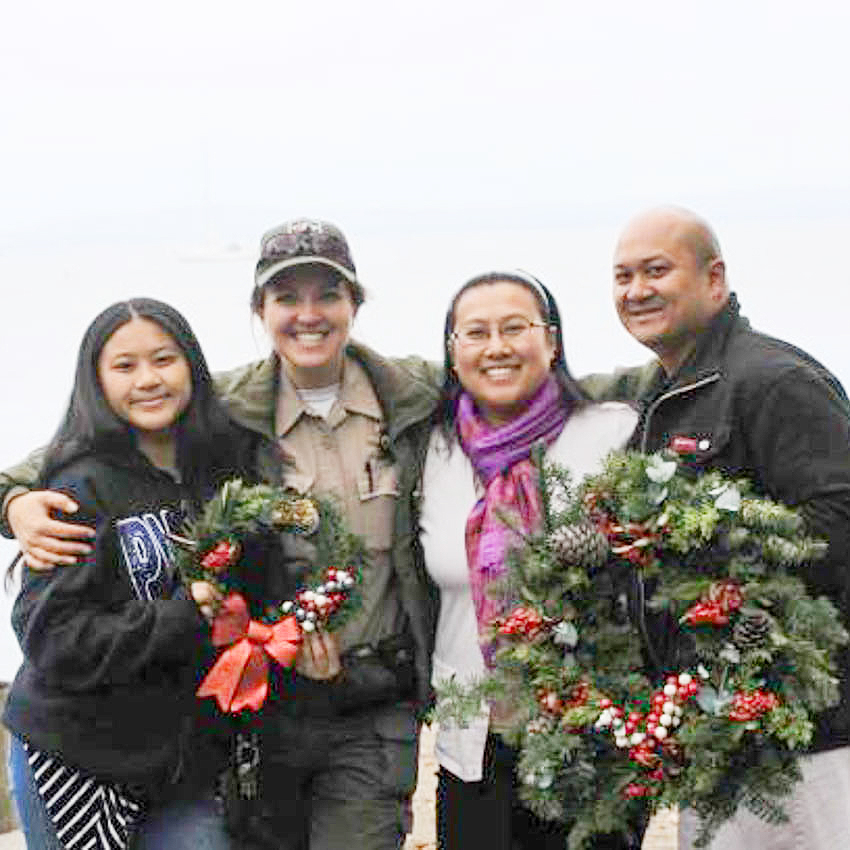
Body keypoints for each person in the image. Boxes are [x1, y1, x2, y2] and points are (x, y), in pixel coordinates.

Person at [0, 220, 441, 850]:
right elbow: (59, 460)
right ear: (260, 310)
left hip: (359, 702)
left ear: (355, 304)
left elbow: (512, 373)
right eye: (287, 298)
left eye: (328, 295)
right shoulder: (221, 411)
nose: (308, 315)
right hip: (217, 720)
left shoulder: (413, 395)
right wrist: (13, 501)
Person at [601, 206, 850, 850]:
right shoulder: (666, 396)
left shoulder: (774, 381)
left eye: (657, 270)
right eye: (623, 276)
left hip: (809, 737)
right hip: (717, 734)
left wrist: (718, 585)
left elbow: (837, 520)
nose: (636, 291)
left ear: (714, 280)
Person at [3, 298, 255, 850]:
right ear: (96, 380)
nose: (148, 380)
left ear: (191, 366)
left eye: (164, 360)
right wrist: (185, 614)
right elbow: (54, 639)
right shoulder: (78, 489)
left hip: (179, 764)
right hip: (77, 757)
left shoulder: (221, 472)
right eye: (124, 366)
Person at [418, 270, 641, 849]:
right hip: (472, 743)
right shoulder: (435, 448)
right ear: (452, 351)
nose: (496, 348)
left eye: (514, 328)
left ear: (552, 341)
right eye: (476, 332)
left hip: (589, 739)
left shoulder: (613, 434)